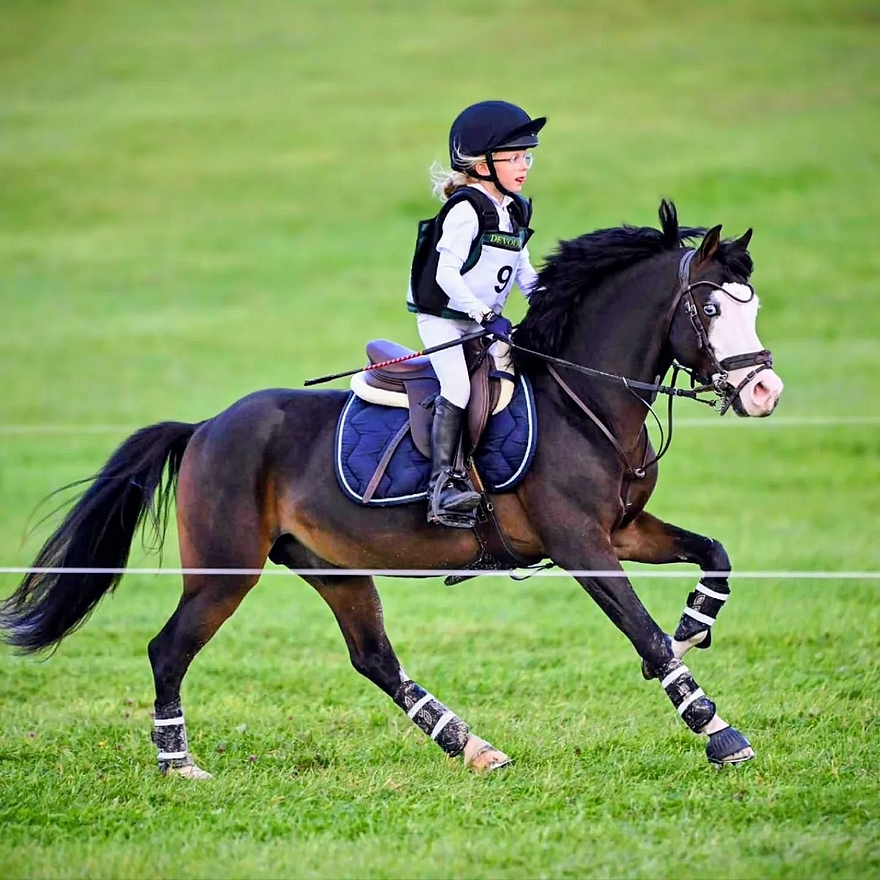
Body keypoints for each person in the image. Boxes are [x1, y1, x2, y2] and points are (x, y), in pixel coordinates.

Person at [407, 100, 546, 527]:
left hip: (481, 322)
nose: (524, 166)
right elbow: (446, 274)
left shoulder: (515, 209)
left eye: (526, 157)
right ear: (483, 165)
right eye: (514, 158)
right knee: (458, 388)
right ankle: (442, 486)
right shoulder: (466, 210)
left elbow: (522, 271)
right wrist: (485, 315)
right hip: (444, 319)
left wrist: (553, 301)